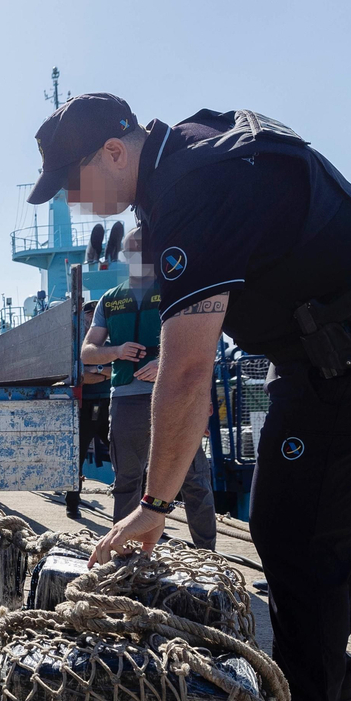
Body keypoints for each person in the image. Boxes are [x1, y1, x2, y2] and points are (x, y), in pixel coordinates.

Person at [55, 95, 351, 701]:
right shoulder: (192, 148)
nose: (74, 200)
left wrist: (154, 504)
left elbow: (185, 370)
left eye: (73, 182)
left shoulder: (192, 188)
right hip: (344, 342)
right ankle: (334, 682)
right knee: (328, 520)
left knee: (292, 529)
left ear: (112, 153)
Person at [80, 227, 217, 549]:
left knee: (195, 479)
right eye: (133, 250)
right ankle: (123, 550)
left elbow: (201, 343)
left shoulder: (178, 290)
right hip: (126, 400)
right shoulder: (110, 300)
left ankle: (208, 556)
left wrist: (166, 365)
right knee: (127, 480)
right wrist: (115, 351)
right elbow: (88, 352)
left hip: (175, 397)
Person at [63, 325, 111, 519]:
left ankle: (134, 503)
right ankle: (72, 504)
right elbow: (80, 378)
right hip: (85, 408)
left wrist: (94, 370)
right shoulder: (76, 350)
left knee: (123, 455)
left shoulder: (110, 346)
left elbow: (114, 371)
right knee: (78, 457)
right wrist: (103, 371)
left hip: (108, 406)